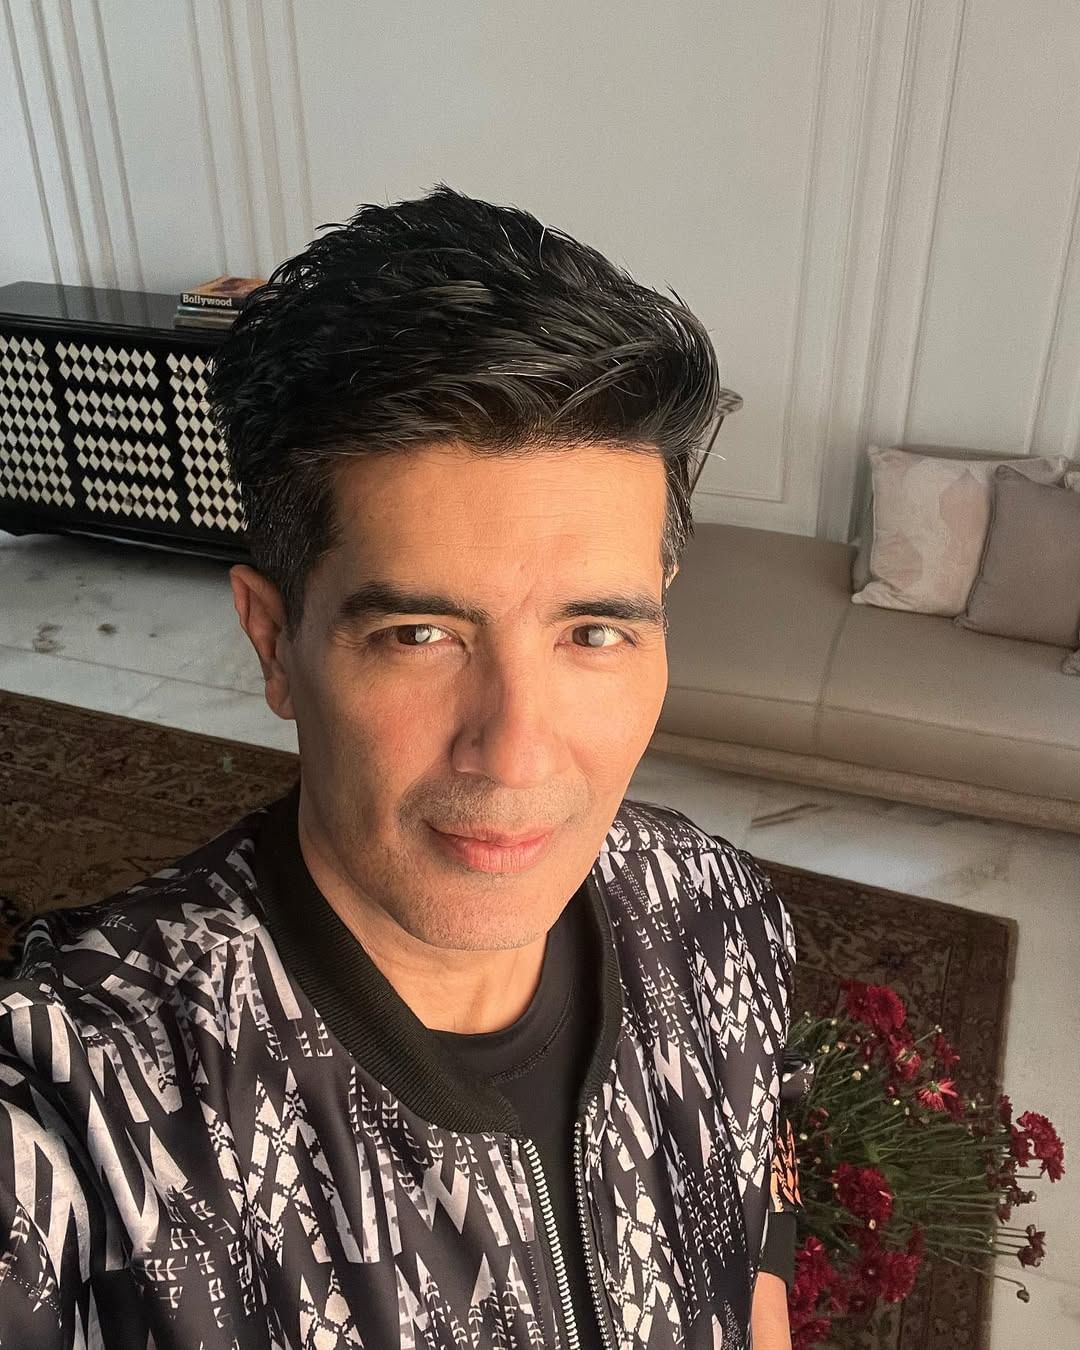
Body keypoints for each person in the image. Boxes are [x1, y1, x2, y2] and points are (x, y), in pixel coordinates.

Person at [0, 185, 800, 1348]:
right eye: (419, 635)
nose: (515, 750)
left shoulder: (720, 912)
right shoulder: (84, 1098)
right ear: (275, 642)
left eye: (594, 632)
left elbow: (754, 1238)